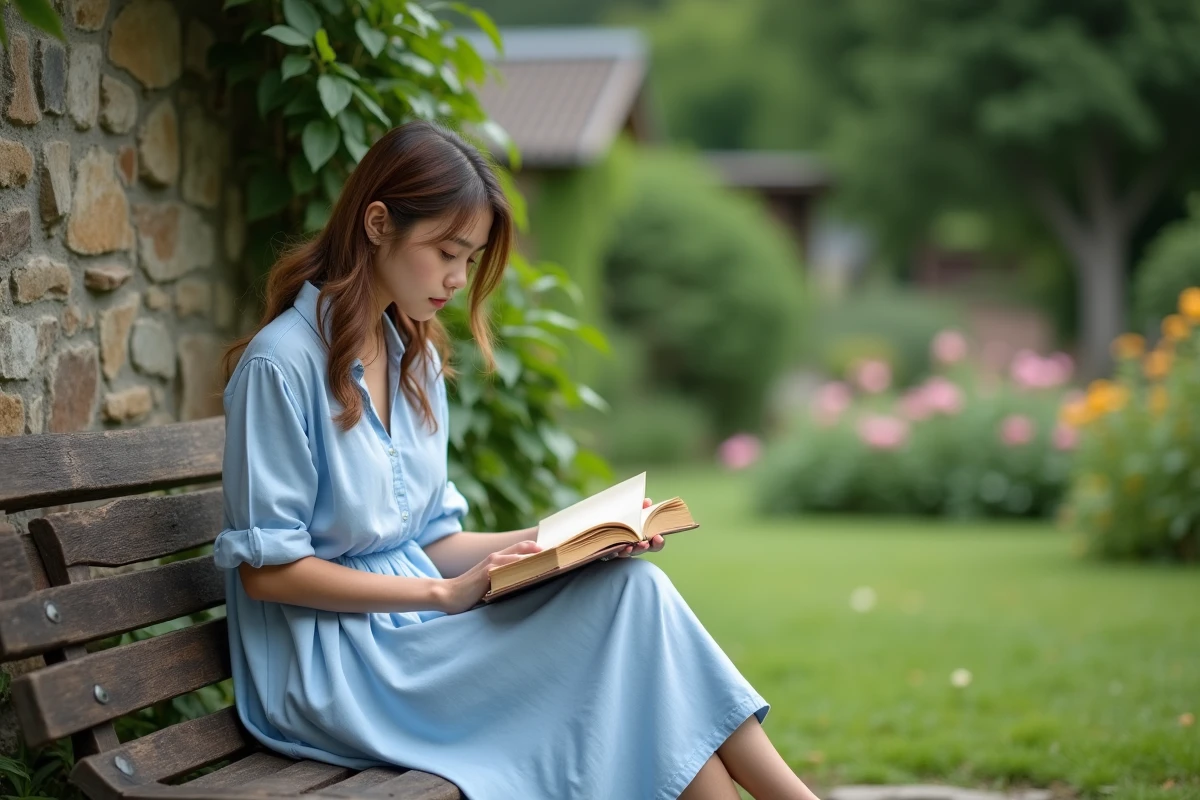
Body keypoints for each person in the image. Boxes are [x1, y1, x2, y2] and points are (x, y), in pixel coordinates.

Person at [214, 119, 820, 800]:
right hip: (334, 669)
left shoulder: (411, 356)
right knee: (637, 643)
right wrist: (444, 595)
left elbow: (433, 541)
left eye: (469, 259)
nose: (456, 279)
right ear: (378, 224)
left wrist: (562, 542)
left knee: (629, 595)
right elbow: (270, 575)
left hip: (418, 637)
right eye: (446, 251)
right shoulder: (282, 364)